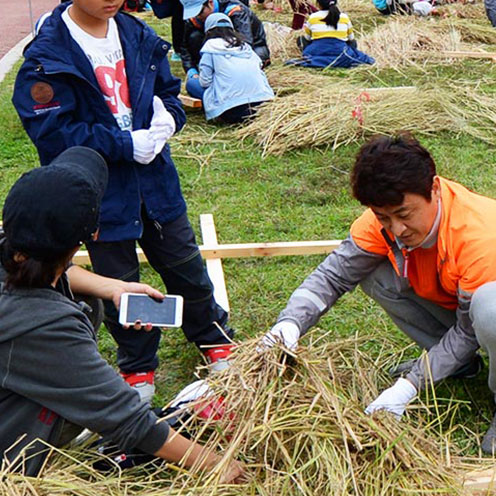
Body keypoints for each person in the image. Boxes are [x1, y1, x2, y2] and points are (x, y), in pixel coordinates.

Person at [12, 0, 235, 405]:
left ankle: (212, 336)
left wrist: (168, 117)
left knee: (185, 264)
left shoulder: (135, 33)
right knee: (120, 282)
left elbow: (166, 90)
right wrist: (124, 143)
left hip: (155, 182)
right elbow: (53, 133)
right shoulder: (47, 55)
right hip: (99, 193)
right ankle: (137, 364)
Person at [0, 146, 244, 481]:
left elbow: (49, 268)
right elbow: (130, 422)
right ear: (91, 237)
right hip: (9, 459)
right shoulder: (44, 325)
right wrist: (224, 465)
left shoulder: (13, 248)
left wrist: (113, 287)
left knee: (90, 304)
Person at [260, 133, 496, 453]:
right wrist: (288, 325)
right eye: (384, 217)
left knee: (489, 307)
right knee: (370, 269)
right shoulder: (380, 223)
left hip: (487, 306)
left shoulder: (479, 236)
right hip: (460, 305)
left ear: (435, 190)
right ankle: (460, 367)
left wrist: (410, 385)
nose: (397, 230)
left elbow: (469, 332)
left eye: (404, 214)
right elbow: (333, 276)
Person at [186, 13, 274, 122]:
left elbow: (205, 82)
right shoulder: (245, 47)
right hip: (261, 105)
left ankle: (219, 113)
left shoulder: (210, 48)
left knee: (192, 83)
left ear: (208, 32)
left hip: (232, 110)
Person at [179, 0, 271, 92]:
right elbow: (184, 47)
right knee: (193, 36)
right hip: (216, 53)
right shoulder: (195, 19)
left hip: (252, 48)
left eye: (200, 12)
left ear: (210, 2)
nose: (198, 17)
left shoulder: (236, 11)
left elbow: (246, 43)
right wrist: (191, 71)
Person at [289, 0, 374, 68]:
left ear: (318, 3)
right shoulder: (344, 17)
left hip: (317, 50)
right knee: (352, 43)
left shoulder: (313, 17)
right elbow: (351, 39)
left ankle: (317, 60)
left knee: (301, 40)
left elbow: (307, 38)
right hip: (340, 51)